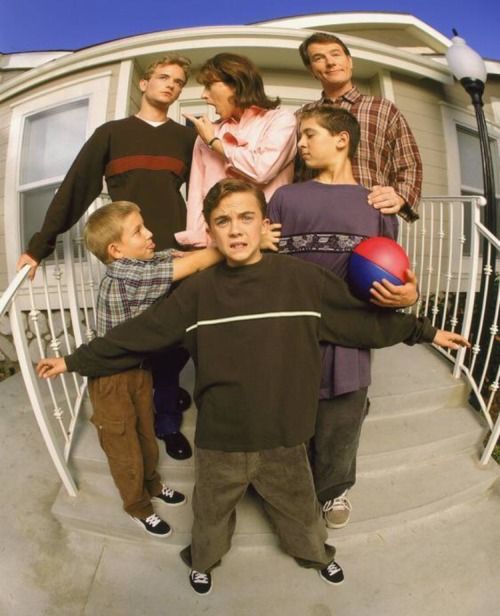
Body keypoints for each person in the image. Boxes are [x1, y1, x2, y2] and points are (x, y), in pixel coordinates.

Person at [37, 179, 468, 596]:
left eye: (246, 217)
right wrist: (74, 360)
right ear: (211, 232)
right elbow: (140, 334)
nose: (236, 228)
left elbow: (360, 321)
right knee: (209, 517)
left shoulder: (303, 281)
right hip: (221, 440)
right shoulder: (196, 292)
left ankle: (316, 555)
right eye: (223, 221)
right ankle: (202, 563)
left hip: (285, 435)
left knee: (299, 512)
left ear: (265, 225)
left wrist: (424, 332)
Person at [17, 54, 197, 460]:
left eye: (180, 82)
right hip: (128, 257)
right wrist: (38, 246)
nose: (171, 85)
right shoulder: (112, 133)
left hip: (175, 251)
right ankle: (146, 403)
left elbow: (203, 191)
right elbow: (75, 188)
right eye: (164, 77)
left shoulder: (187, 138)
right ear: (145, 84)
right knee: (136, 339)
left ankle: (166, 418)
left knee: (175, 339)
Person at [268, 105, 419, 530]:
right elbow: (263, 262)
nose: (300, 144)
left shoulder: (376, 204)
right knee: (292, 414)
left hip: (352, 331)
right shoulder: (285, 198)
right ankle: (293, 490)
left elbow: (398, 271)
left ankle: (333, 491)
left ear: (341, 139)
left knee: (343, 417)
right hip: (292, 329)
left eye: (308, 135)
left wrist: (409, 293)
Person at [69, 200, 223, 537]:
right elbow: (196, 263)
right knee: (124, 448)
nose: (150, 232)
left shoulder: (133, 263)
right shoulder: (129, 276)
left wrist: (175, 254)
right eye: (139, 230)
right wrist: (236, 241)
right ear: (116, 250)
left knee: (146, 435)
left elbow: (165, 256)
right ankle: (137, 505)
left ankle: (152, 485)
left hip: (138, 368)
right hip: (111, 378)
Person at [298, 32, 422, 223]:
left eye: (336, 54)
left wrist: (400, 196)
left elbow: (409, 164)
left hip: (369, 216)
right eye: (319, 58)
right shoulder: (301, 116)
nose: (330, 62)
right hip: (311, 218)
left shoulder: (383, 109)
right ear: (312, 70)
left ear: (349, 61)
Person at [176, 52, 297, 247]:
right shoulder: (207, 133)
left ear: (235, 84)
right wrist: (197, 245)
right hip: (219, 245)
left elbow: (262, 170)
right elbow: (197, 195)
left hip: (269, 241)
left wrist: (215, 143)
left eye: (209, 86)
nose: (203, 95)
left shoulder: (280, 121)